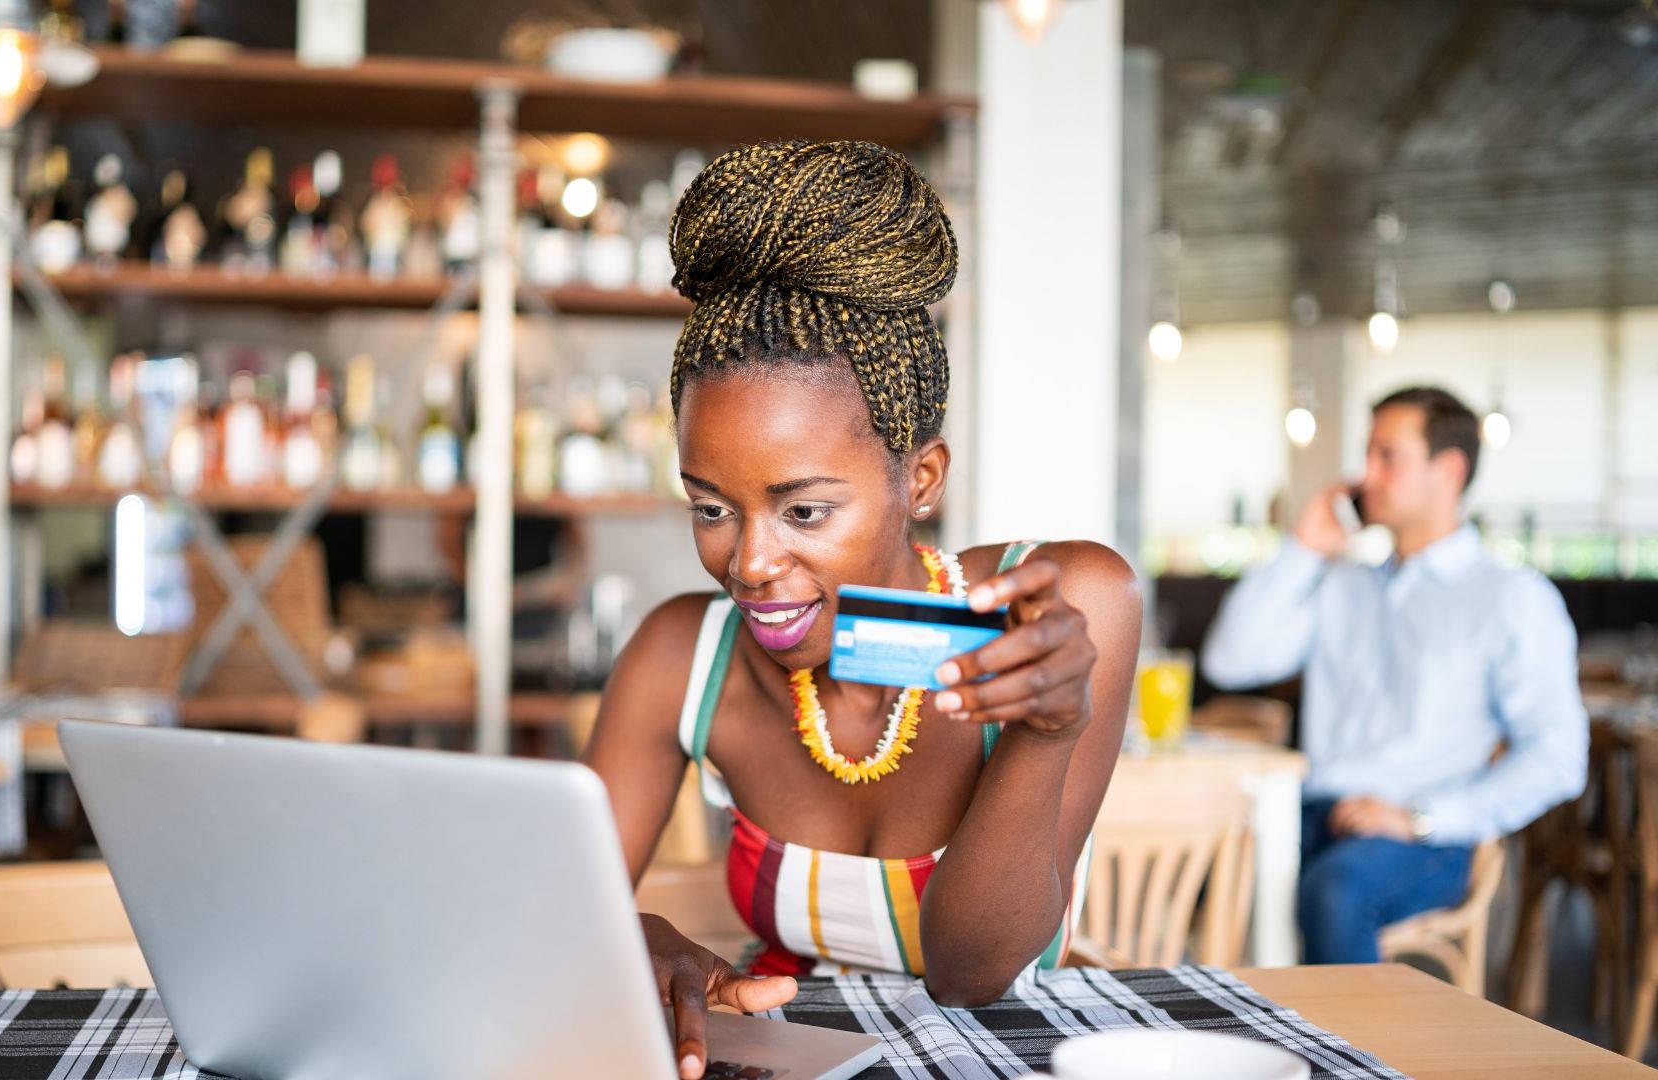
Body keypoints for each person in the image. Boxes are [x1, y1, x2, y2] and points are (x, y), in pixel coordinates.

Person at [580, 141, 1142, 1079]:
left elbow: (969, 973)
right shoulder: (684, 653)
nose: (750, 563)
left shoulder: (1059, 606)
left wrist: (1046, 731)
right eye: (710, 507)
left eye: (805, 511)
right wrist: (627, 937)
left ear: (920, 478)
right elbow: (555, 914)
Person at [1202, 386, 1587, 966]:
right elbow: (1229, 661)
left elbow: (1560, 756)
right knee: (1194, 859)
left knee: (1336, 890)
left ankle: (1347, 1059)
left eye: (1388, 456)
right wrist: (1302, 549)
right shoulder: (1343, 582)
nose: (1366, 475)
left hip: (1421, 833)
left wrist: (1423, 819)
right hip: (1310, 812)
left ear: (1449, 470)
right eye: (1368, 455)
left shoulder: (1510, 597)